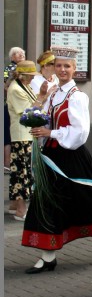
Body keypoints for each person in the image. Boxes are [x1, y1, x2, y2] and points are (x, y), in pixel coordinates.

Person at [21, 46, 92, 273]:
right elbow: (29, 118)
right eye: (58, 65)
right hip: (50, 154)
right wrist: (40, 98)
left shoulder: (77, 97)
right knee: (47, 202)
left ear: (74, 69)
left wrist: (51, 133)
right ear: (52, 68)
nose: (62, 70)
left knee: (86, 199)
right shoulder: (51, 93)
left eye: (66, 66)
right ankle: (48, 256)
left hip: (71, 155)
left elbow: (80, 133)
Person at [6, 61, 48, 221]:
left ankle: (14, 206)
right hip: (21, 135)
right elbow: (28, 113)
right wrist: (42, 96)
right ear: (23, 75)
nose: (32, 79)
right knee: (22, 172)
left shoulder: (24, 86)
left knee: (21, 171)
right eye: (30, 76)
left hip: (26, 134)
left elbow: (35, 104)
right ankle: (20, 210)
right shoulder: (16, 89)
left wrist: (43, 96)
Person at [4, 47, 26, 174]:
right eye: (18, 53)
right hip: (10, 105)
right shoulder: (8, 69)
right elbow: (3, 84)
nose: (22, 54)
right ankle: (7, 163)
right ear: (12, 57)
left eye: (23, 53)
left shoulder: (25, 69)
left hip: (17, 104)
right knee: (8, 132)